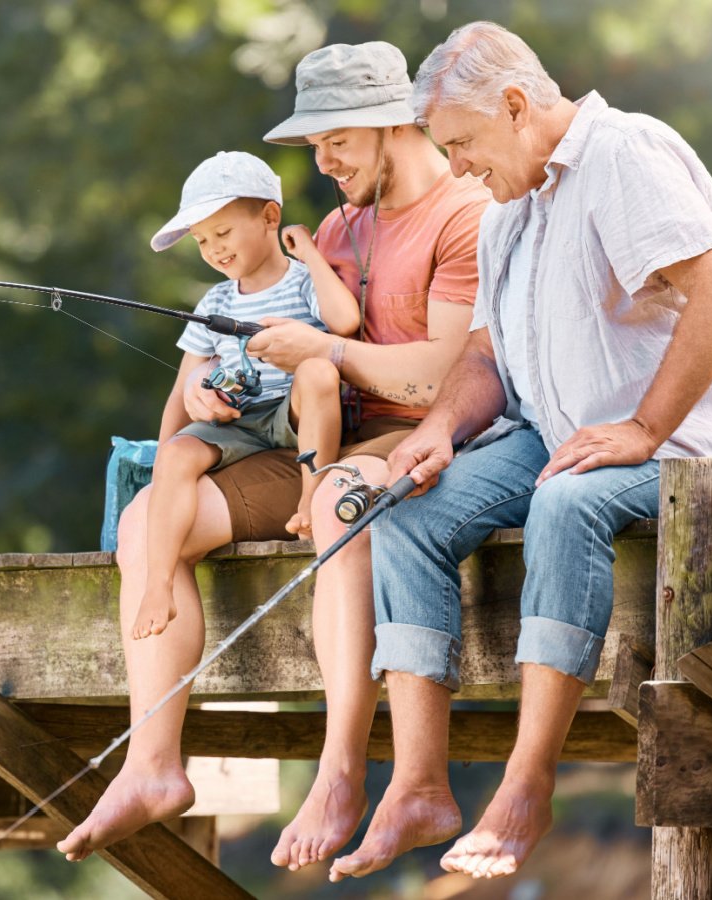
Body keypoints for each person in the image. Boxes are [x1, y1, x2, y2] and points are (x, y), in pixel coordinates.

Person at [327, 21, 712, 883]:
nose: (455, 167)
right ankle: (421, 785)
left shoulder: (626, 153)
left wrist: (645, 429)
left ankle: (528, 786)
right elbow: (487, 358)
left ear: (514, 104)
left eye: (461, 144)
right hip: (559, 432)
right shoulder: (507, 210)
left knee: (565, 502)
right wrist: (435, 431)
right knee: (407, 507)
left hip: (684, 445)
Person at [58, 41, 490, 868]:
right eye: (313, 148)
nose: (320, 163)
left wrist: (319, 355)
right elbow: (268, 358)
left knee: (335, 500)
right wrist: (213, 399)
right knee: (152, 517)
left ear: (390, 122)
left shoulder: (464, 213)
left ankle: (338, 776)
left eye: (333, 141)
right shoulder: (333, 226)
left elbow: (444, 374)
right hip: (306, 437)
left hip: (419, 438)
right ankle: (151, 766)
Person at [132, 150, 360, 641]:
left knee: (320, 371)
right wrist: (163, 462)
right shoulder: (213, 301)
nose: (214, 249)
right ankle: (157, 584)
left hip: (291, 412)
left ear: (270, 217)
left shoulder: (303, 281)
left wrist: (312, 254)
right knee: (176, 455)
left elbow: (344, 322)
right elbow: (180, 391)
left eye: (223, 232)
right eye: (201, 241)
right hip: (237, 421)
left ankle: (309, 501)